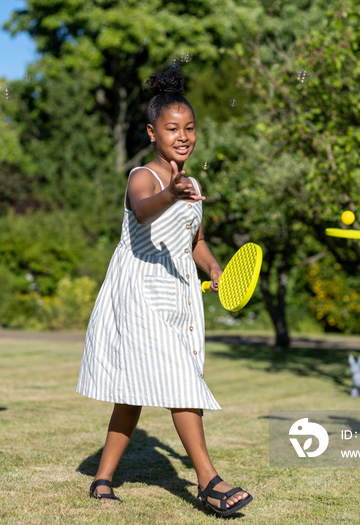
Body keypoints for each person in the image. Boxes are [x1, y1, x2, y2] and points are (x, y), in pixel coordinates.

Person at [76, 67, 253, 517]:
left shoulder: (191, 186)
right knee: (182, 383)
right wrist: (171, 194)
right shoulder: (146, 177)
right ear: (152, 131)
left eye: (190, 128)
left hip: (177, 297)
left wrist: (214, 268)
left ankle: (101, 479)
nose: (183, 136)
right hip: (138, 296)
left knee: (132, 394)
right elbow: (141, 210)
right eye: (172, 128)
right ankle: (209, 481)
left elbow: (193, 240)